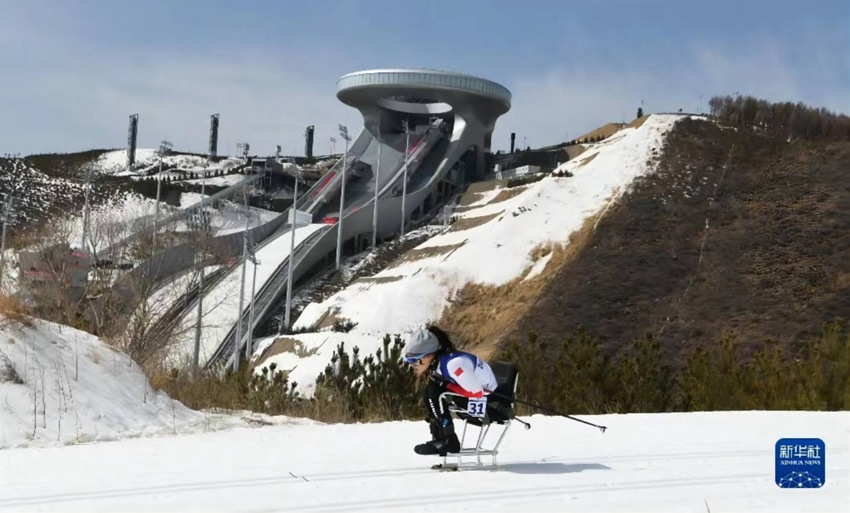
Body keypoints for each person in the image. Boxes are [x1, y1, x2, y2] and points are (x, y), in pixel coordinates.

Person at [404, 326, 498, 456]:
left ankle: (449, 440)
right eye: (408, 360)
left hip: (492, 403)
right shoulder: (439, 364)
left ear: (429, 356)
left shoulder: (453, 365)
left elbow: (477, 393)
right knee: (430, 391)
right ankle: (440, 438)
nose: (412, 365)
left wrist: (447, 385)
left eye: (414, 360)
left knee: (436, 392)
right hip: (480, 398)